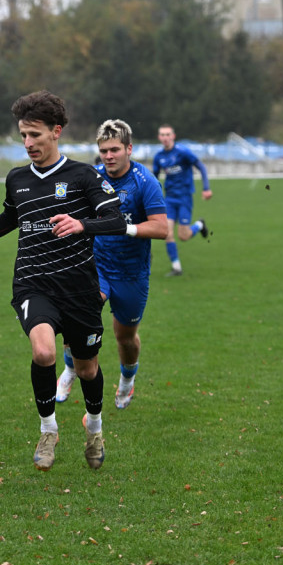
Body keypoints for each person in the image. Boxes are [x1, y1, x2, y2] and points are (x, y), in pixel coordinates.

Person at [0, 91, 129, 472]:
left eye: (35, 135)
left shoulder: (83, 175)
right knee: (43, 353)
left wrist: (81, 224)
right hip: (33, 283)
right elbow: (10, 218)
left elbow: (117, 221)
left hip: (79, 288)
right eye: (23, 135)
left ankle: (94, 426)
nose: (28, 144)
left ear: (56, 132)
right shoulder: (18, 179)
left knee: (88, 369)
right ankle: (48, 430)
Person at [56, 120, 168, 409]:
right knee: (76, 322)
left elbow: (161, 228)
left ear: (129, 149)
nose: (109, 156)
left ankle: (128, 381)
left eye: (115, 149)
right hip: (96, 267)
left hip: (132, 274)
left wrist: (122, 228)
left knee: (125, 337)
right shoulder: (93, 178)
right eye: (104, 150)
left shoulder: (146, 182)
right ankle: (69, 370)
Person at [152, 124, 211, 276]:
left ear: (173, 136)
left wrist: (206, 188)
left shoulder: (183, 152)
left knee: (183, 236)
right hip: (169, 199)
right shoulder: (159, 157)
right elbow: (155, 179)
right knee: (167, 233)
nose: (165, 137)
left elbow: (201, 167)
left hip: (184, 198)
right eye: (162, 135)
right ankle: (177, 267)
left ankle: (199, 224)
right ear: (159, 137)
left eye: (168, 134)